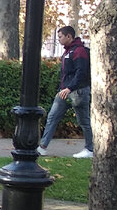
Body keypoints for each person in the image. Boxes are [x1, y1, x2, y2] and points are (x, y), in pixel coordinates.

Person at [38, 25, 93, 159]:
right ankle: (42, 147)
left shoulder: (79, 51)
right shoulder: (69, 51)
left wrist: (69, 88)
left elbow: (81, 72)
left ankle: (90, 149)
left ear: (69, 36)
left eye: (61, 37)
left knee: (83, 120)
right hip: (65, 91)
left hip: (76, 91)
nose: (59, 40)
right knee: (52, 117)